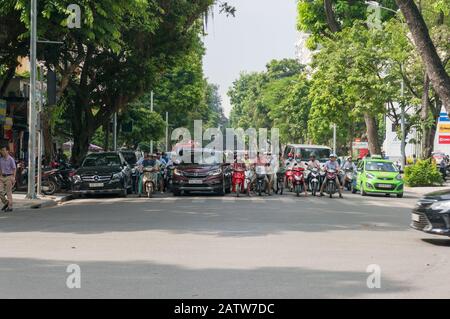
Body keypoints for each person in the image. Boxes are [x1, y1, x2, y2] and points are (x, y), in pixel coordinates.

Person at [0, 146, 16, 212]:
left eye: (4, 150)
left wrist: (13, 177)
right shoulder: (0, 159)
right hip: (2, 177)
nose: (3, 152)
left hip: (9, 177)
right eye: (1, 150)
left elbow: (14, 169)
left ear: (7, 151)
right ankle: (6, 202)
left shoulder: (11, 159)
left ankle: (10, 207)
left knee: (8, 192)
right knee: (0, 191)